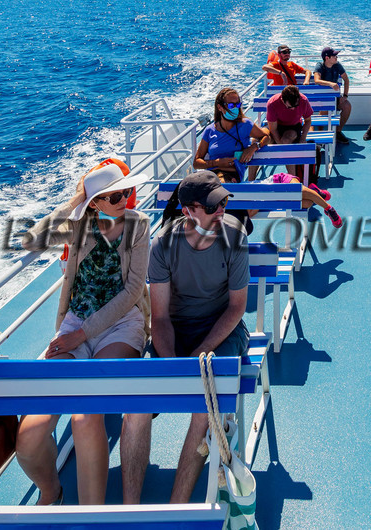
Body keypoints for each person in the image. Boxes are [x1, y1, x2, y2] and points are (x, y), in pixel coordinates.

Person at [16, 161, 152, 506]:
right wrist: (78, 199)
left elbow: (133, 291)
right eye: (114, 196)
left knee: (85, 414)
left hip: (122, 324)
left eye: (126, 191)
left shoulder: (138, 226)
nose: (125, 199)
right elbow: (31, 241)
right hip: (76, 323)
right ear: (94, 203)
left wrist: (83, 336)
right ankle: (52, 490)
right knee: (30, 434)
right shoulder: (78, 227)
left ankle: (93, 516)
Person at [148, 172, 251, 503]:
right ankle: (127, 511)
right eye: (212, 206)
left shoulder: (234, 237)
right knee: (135, 410)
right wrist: (171, 365)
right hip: (176, 330)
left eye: (222, 201)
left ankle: (174, 512)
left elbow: (236, 309)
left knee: (202, 410)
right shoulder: (162, 245)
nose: (221, 209)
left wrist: (202, 352)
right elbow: (160, 317)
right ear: (188, 211)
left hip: (222, 328)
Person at [195, 87, 267, 231]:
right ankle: (237, 224)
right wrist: (215, 163)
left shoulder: (245, 125)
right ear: (220, 107)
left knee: (221, 188)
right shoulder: (210, 130)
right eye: (231, 105)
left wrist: (253, 147)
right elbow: (197, 162)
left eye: (238, 104)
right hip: (211, 175)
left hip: (231, 176)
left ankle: (225, 228)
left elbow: (266, 136)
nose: (236, 108)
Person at [265, 84, 319, 184]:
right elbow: (273, 129)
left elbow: (307, 120)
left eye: (296, 106)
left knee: (286, 141)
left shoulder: (303, 100)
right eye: (290, 106)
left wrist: (303, 137)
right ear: (282, 100)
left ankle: (294, 180)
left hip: (294, 126)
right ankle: (251, 181)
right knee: (257, 142)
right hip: (276, 126)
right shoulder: (272, 103)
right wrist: (279, 144)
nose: (293, 109)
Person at [310, 47, 353, 143]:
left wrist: (345, 96)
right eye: (334, 56)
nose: (336, 57)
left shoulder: (337, 65)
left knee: (347, 107)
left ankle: (338, 131)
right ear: (327, 58)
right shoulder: (319, 66)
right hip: (323, 98)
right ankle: (320, 134)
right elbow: (317, 80)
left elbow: (346, 80)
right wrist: (330, 84)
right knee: (324, 110)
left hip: (335, 98)